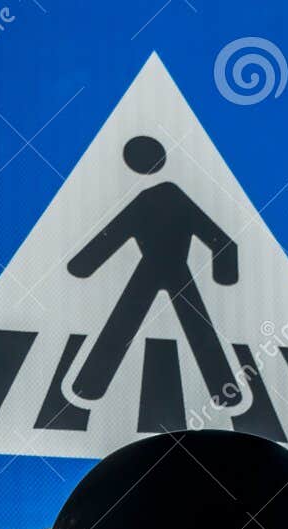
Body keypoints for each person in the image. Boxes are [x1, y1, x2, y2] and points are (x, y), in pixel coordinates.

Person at [68, 135, 242, 408]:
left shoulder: (158, 197)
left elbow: (113, 234)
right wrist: (224, 273)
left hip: (159, 269)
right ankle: (225, 391)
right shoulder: (161, 197)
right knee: (193, 328)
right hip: (164, 270)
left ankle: (89, 386)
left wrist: (83, 265)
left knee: (126, 323)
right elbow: (220, 240)